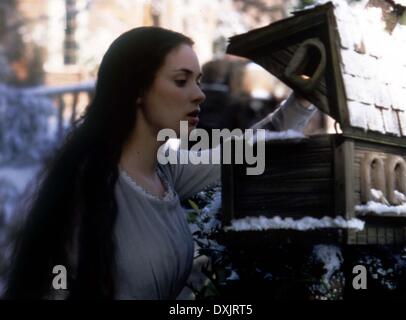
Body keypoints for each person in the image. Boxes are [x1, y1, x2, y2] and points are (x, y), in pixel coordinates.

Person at [4, 26, 316, 300]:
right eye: (181, 81)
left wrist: (304, 96)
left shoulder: (166, 169)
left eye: (198, 81)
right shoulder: (83, 184)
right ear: (137, 88)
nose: (199, 95)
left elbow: (250, 148)